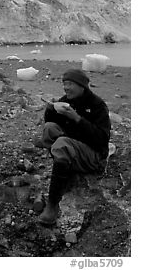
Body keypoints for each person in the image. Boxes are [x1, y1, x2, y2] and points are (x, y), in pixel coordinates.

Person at [37, 68, 111, 225]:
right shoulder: (67, 101)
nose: (66, 87)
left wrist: (77, 118)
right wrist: (51, 109)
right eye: (64, 84)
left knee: (61, 144)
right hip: (75, 147)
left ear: (82, 86)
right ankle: (64, 167)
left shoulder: (97, 105)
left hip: (94, 156)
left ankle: (52, 205)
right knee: (50, 128)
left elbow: (102, 139)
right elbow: (53, 123)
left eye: (70, 84)